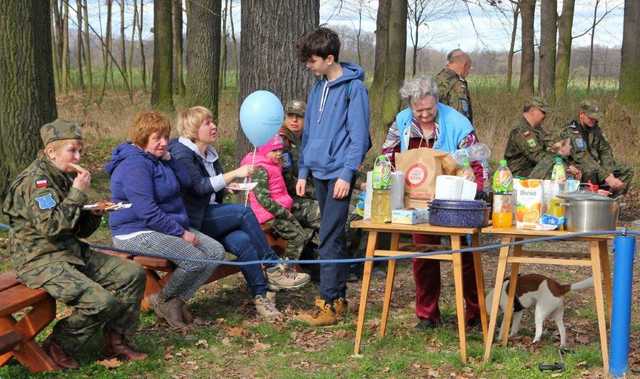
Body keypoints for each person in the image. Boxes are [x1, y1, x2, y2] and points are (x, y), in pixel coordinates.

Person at [2, 120, 147, 369]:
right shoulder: (37, 183)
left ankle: (116, 339)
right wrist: (78, 193)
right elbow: (52, 228)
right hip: (40, 260)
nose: (78, 156)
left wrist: (93, 213)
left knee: (132, 274)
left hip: (69, 251)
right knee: (101, 302)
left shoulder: (62, 176)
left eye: (81, 150)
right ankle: (59, 345)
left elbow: (76, 229)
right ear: (51, 151)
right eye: (73, 150)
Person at [169, 106, 310, 321]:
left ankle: (261, 298)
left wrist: (227, 188)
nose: (214, 126)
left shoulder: (209, 153)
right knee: (243, 213)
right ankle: (273, 267)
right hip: (191, 220)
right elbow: (198, 187)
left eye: (213, 120)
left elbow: (210, 188)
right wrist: (234, 174)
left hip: (210, 213)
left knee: (243, 242)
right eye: (207, 123)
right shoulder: (182, 154)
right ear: (192, 128)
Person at [107, 111, 226, 330]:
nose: (164, 143)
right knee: (194, 258)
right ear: (142, 139)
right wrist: (181, 233)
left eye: (165, 137)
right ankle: (164, 301)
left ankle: (174, 302)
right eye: (157, 139)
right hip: (135, 231)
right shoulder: (135, 165)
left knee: (216, 252)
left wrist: (170, 160)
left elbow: (186, 182)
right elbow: (147, 211)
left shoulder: (157, 158)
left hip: (163, 226)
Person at [381, 77, 482, 330]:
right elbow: (387, 155)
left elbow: (478, 160)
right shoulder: (402, 122)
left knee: (465, 257)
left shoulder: (458, 123)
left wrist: (471, 176)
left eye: (429, 109)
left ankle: (476, 312)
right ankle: (427, 315)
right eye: (419, 110)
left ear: (437, 101)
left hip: (452, 200)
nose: (424, 114)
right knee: (423, 255)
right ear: (410, 105)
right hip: (417, 200)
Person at [294, 27, 371, 326]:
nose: (309, 66)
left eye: (312, 61)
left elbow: (359, 136)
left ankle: (327, 301)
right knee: (332, 238)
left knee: (328, 237)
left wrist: (346, 173)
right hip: (318, 172)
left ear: (329, 58)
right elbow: (310, 132)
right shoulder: (318, 88)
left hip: (339, 174)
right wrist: (303, 170)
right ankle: (337, 300)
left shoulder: (354, 89)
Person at [241, 135, 315, 261]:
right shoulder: (260, 169)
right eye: (274, 151)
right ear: (264, 151)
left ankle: (294, 264)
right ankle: (285, 269)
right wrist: (284, 213)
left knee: (305, 232)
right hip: (268, 215)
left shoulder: (272, 165)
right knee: (298, 237)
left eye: (280, 150)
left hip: (279, 211)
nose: (279, 153)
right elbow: (263, 199)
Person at [560, 100, 633, 196]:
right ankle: (591, 199)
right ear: (582, 114)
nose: (594, 120)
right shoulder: (572, 130)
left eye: (595, 118)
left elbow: (605, 150)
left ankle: (610, 200)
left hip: (596, 167)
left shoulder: (595, 128)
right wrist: (606, 176)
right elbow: (583, 157)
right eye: (591, 118)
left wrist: (608, 171)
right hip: (576, 166)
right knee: (590, 171)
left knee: (626, 170)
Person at [279, 100, 321, 246]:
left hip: (306, 195)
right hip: (289, 201)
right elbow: (289, 183)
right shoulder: (281, 143)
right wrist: (317, 192)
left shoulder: (308, 139)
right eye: (290, 115)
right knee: (335, 216)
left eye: (299, 116)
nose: (294, 120)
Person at [504, 97, 553, 178]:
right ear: (533, 110)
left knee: (561, 172)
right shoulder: (522, 130)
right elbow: (537, 155)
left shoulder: (538, 129)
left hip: (532, 169)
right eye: (543, 112)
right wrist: (558, 164)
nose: (545, 116)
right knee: (555, 174)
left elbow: (550, 146)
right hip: (518, 173)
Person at [434, 49, 474, 123]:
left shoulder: (435, 80)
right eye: (469, 68)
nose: (468, 72)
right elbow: (460, 117)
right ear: (465, 65)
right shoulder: (457, 85)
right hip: (451, 132)